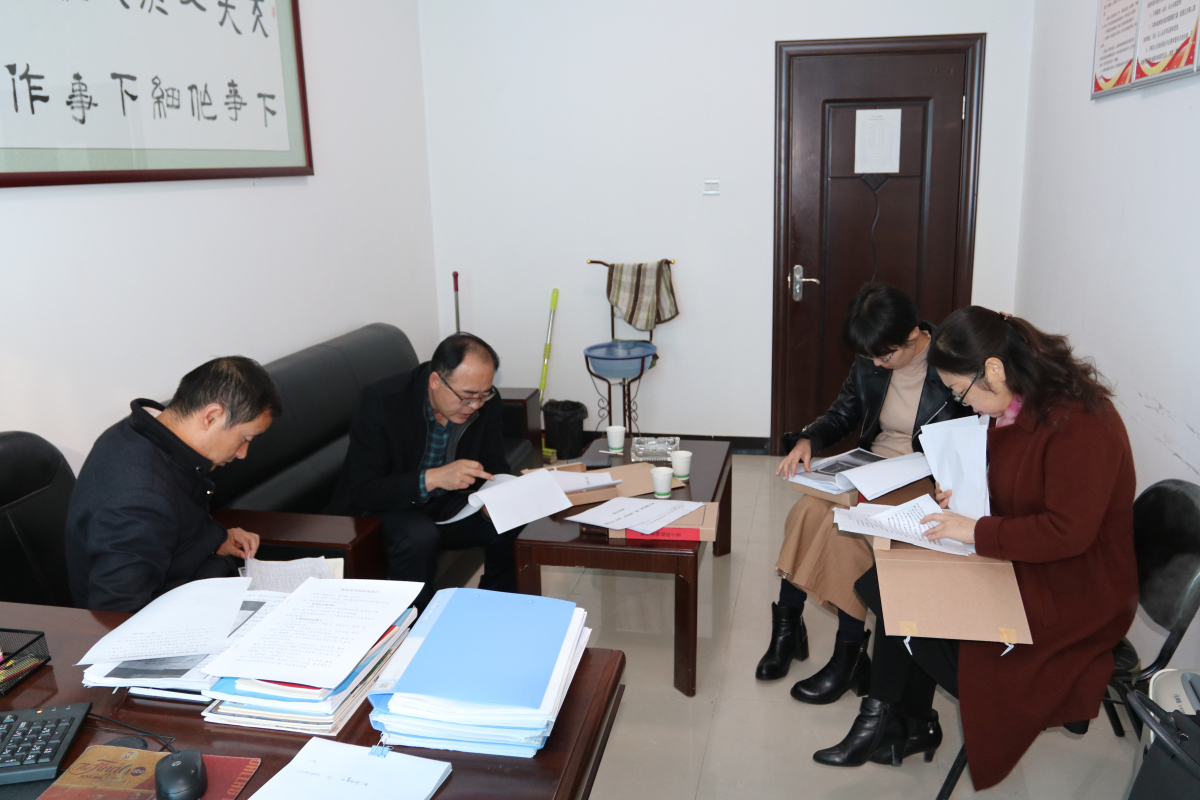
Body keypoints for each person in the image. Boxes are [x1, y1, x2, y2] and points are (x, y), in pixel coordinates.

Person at [814, 307, 1137, 793]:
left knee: (917, 609)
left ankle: (900, 719)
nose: (962, 403)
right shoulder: (1021, 404)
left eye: (960, 391)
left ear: (994, 369)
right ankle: (897, 718)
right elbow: (1018, 487)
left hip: (1074, 587)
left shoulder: (1082, 425)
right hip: (1027, 556)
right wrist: (960, 495)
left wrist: (976, 531)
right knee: (890, 584)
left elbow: (1068, 533)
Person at [759, 284, 970, 705]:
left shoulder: (951, 362)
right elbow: (843, 413)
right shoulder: (872, 358)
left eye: (885, 356)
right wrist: (808, 439)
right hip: (872, 468)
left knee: (847, 534)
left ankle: (849, 653)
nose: (876, 364)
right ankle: (788, 627)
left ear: (913, 335)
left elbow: (971, 438)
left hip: (924, 477)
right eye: (871, 357)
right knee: (808, 510)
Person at [66, 357, 280, 613]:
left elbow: (169, 527)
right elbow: (118, 612)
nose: (243, 453)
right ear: (211, 417)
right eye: (245, 438)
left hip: (205, 587)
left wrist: (215, 539)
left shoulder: (140, 433)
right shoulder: (140, 497)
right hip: (181, 615)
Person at [329, 333, 518, 611]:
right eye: (467, 397)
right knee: (419, 536)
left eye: (483, 395)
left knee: (513, 517)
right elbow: (365, 490)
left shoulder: (485, 400)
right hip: (386, 508)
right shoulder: (381, 401)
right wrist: (432, 478)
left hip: (446, 504)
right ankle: (416, 625)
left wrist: (496, 496)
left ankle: (494, 605)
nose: (476, 405)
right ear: (435, 381)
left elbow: (494, 464)